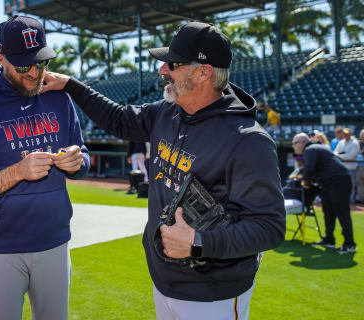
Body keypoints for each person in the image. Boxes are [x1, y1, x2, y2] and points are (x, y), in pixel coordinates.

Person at [42, 22, 285, 320]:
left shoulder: (248, 141)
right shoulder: (166, 112)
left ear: (203, 71)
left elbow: (270, 228)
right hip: (163, 279)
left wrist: (199, 243)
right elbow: (118, 119)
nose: (162, 70)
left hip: (213, 295)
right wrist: (71, 84)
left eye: (173, 63)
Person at [0, 16, 90, 320]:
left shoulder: (59, 98)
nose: (35, 73)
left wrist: (78, 162)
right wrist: (17, 172)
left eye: (40, 62)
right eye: (23, 66)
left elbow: (84, 156)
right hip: (1, 248)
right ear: (0, 57)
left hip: (54, 241)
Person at [292, 133, 356, 254]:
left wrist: (305, 181)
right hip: (328, 183)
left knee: (341, 212)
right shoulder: (315, 148)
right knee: (328, 211)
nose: (293, 146)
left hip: (338, 180)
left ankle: (350, 244)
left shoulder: (310, 149)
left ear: (302, 142)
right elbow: (305, 165)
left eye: (295, 143)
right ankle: (329, 239)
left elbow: (309, 168)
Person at [334, 128, 360, 203]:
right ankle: (343, 200)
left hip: (351, 168)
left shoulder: (354, 143)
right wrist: (338, 155)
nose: (345, 135)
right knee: (341, 185)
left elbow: (352, 155)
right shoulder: (341, 142)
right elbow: (335, 151)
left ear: (350, 134)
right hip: (341, 167)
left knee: (350, 185)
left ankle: (350, 201)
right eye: (344, 133)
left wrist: (340, 156)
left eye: (347, 134)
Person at [355, 129, 364, 204]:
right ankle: (360, 198)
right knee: (358, 181)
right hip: (358, 164)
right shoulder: (358, 143)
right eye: (362, 134)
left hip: (362, 164)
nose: (362, 135)